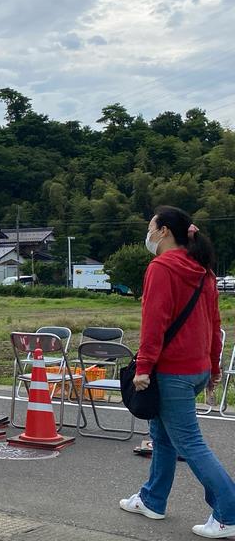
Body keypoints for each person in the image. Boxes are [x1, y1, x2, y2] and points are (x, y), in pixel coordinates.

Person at [120, 206, 235, 538]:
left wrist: (144, 368)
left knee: (190, 443)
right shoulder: (203, 271)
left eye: (151, 227)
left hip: (172, 374)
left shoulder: (161, 267)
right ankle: (152, 499)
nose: (148, 233)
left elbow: (155, 322)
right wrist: (213, 369)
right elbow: (215, 326)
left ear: (164, 232)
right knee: (162, 437)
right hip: (195, 370)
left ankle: (228, 513)